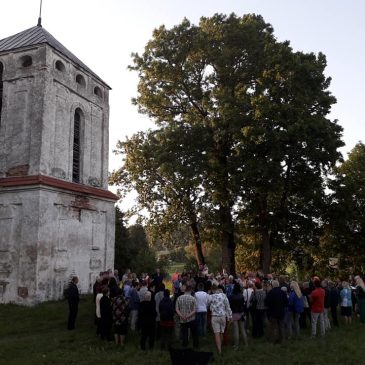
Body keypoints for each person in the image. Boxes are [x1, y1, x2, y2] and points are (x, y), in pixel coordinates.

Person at [210, 282, 232, 354]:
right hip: (223, 316)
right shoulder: (223, 295)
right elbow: (227, 306)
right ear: (217, 288)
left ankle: (219, 350)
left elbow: (208, 306)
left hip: (215, 317)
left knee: (216, 334)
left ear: (212, 289)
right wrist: (230, 316)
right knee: (222, 332)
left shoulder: (210, 297)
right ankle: (221, 346)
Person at [175, 283, 199, 348]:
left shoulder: (179, 298)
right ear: (190, 290)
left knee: (184, 333)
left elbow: (177, 309)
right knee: (194, 333)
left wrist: (182, 316)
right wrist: (188, 316)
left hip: (183, 319)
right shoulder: (193, 298)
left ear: (185, 290)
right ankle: (195, 345)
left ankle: (184, 345)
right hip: (191, 319)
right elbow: (195, 310)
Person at [265, 280, 288, 344]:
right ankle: (282, 340)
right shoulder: (283, 292)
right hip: (281, 312)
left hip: (273, 312)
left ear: (272, 285)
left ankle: (273, 340)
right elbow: (286, 303)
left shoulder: (271, 292)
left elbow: (267, 302)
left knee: (273, 327)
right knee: (281, 326)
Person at [229, 282, 247, 348]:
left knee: (236, 330)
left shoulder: (231, 296)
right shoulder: (241, 295)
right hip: (241, 313)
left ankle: (236, 345)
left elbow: (230, 305)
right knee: (242, 329)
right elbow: (243, 305)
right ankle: (246, 344)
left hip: (234, 313)